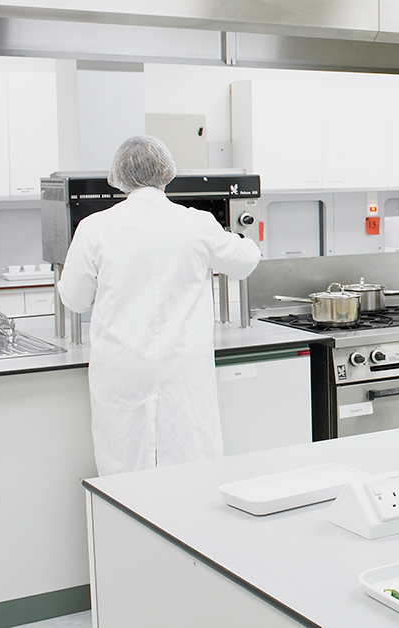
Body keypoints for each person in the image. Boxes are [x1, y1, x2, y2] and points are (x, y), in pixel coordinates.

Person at [59, 135, 262, 476]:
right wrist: (241, 239)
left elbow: (75, 300)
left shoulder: (94, 227)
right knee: (189, 467)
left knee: (124, 470)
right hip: (182, 367)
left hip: (122, 368)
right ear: (167, 172)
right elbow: (245, 262)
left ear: (119, 176)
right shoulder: (195, 223)